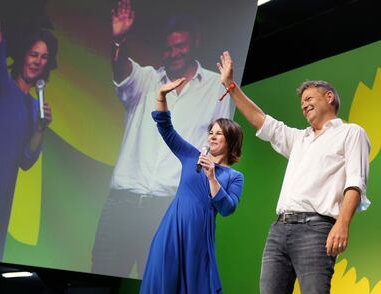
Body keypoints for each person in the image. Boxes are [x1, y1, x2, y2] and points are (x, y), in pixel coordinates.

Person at [91, 0, 235, 276]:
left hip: (169, 208)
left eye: (180, 46)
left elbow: (219, 149)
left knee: (160, 282)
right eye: (169, 48)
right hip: (123, 204)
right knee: (101, 278)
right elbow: (121, 71)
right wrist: (119, 39)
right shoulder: (146, 81)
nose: (174, 53)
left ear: (195, 42)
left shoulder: (215, 87)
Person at [217, 51, 371, 294]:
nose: (304, 105)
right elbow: (261, 120)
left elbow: (355, 182)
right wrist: (230, 85)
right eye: (301, 103)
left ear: (329, 97)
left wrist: (342, 224)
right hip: (279, 230)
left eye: (309, 98)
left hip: (316, 229)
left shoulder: (351, 133)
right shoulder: (299, 139)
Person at [139, 78, 244, 293]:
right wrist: (161, 96)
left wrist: (212, 177)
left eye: (219, 133)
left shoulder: (234, 176)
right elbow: (166, 129)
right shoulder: (190, 156)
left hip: (198, 238)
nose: (212, 137)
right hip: (172, 229)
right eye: (211, 132)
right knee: (162, 281)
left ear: (231, 140)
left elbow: (228, 208)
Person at [0, 13, 57, 261]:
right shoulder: (4, 86)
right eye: (33, 54)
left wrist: (40, 128)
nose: (37, 61)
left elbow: (26, 161)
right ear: (23, 56)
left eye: (44, 57)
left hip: (3, 199)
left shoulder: (34, 108)